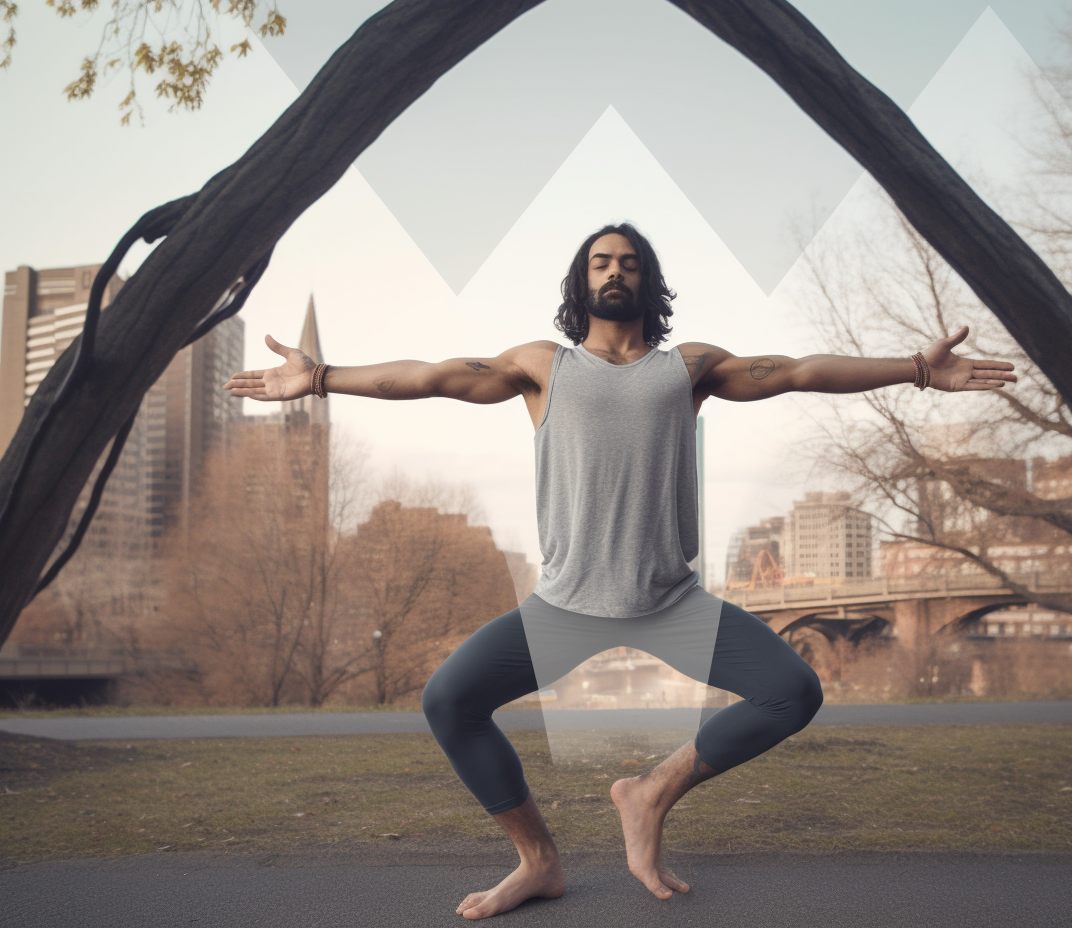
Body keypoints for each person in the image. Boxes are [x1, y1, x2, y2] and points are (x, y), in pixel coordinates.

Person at [223, 221, 1017, 919]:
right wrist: (320, 379)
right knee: (449, 701)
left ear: (648, 282)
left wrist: (916, 368)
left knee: (795, 691)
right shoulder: (542, 367)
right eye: (601, 260)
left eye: (630, 262)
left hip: (668, 602)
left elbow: (797, 369)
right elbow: (431, 376)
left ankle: (651, 793)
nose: (615, 270)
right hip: (564, 607)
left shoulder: (688, 367)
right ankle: (538, 862)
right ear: (581, 281)